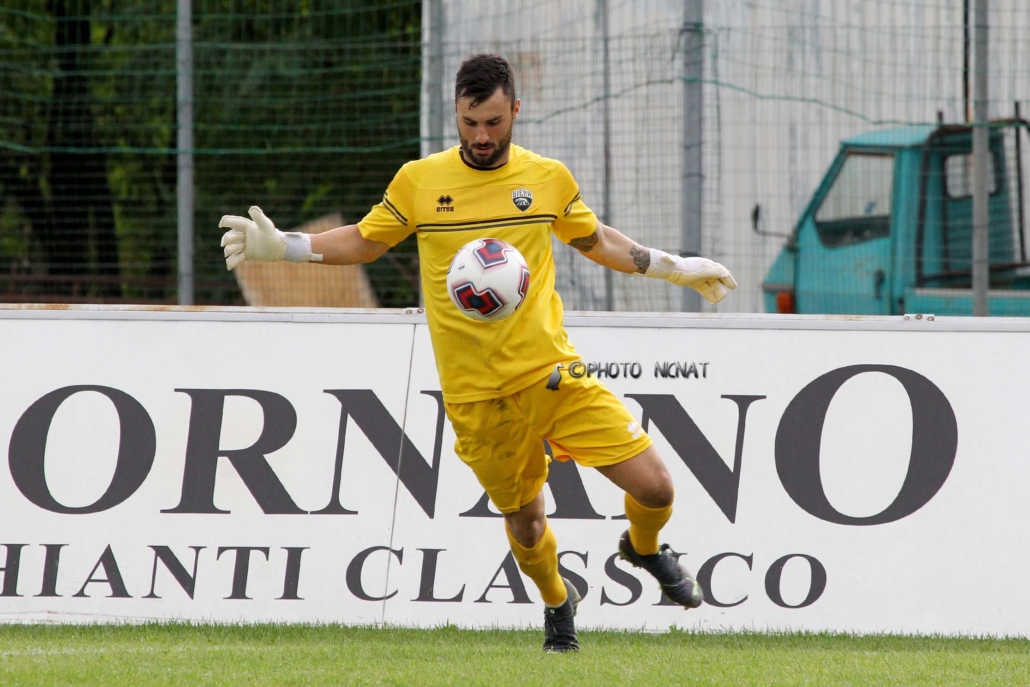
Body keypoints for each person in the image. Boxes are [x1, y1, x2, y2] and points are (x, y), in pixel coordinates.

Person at [220, 53, 737, 653]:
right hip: (473, 394)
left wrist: (674, 268)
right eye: (470, 123)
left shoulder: (547, 178)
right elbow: (364, 241)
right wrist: (286, 247)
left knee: (656, 488)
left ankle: (643, 548)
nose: (482, 136)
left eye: (493, 122)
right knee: (526, 521)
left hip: (549, 374)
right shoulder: (420, 181)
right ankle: (558, 604)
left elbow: (597, 241)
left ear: (515, 110)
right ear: (456, 114)